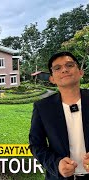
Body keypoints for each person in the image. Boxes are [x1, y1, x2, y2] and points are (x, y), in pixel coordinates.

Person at [29, 51, 89, 180]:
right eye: (57, 68)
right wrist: (56, 164)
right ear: (52, 79)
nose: (64, 70)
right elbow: (36, 145)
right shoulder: (42, 108)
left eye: (70, 65)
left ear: (80, 72)